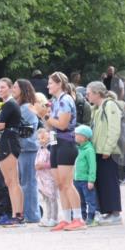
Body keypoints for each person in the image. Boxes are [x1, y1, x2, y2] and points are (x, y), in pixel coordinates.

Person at [42, 71, 85, 231]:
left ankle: (78, 218)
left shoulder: (66, 99)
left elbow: (62, 125)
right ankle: (66, 219)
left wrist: (45, 116)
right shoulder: (55, 101)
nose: (48, 86)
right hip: (55, 143)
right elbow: (50, 126)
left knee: (67, 183)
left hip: (66, 143)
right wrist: (43, 115)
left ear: (59, 84)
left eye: (50, 83)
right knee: (60, 184)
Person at [87, 81, 123, 226]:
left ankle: (115, 214)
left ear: (97, 93)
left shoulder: (110, 105)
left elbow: (114, 129)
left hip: (108, 151)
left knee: (110, 182)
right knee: (102, 182)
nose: (87, 96)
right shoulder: (96, 108)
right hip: (98, 150)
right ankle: (108, 212)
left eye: (89, 93)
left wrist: (108, 149)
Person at [0, 78, 25, 227]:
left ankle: (17, 215)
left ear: (10, 88)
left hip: (9, 142)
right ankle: (17, 214)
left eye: (3, 87)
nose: (0, 90)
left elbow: (0, 125)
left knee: (12, 181)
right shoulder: (5, 104)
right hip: (4, 142)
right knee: (10, 181)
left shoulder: (10, 104)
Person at [13, 79, 40, 223]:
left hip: (28, 149)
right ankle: (27, 213)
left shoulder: (27, 108)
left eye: (15, 87)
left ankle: (32, 215)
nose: (13, 89)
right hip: (22, 149)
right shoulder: (21, 106)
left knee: (28, 183)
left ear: (23, 90)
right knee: (25, 182)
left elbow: (25, 129)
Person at [73, 125, 98, 226]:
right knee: (80, 200)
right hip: (77, 179)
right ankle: (82, 217)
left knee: (90, 200)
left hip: (85, 180)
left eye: (77, 135)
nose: (75, 136)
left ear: (84, 137)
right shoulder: (78, 148)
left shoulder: (89, 150)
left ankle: (91, 217)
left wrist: (91, 180)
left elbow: (92, 166)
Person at [35, 129, 59, 227]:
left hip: (50, 177)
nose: (40, 140)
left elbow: (53, 162)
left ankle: (54, 218)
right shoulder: (40, 149)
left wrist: (43, 165)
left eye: (43, 138)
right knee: (46, 199)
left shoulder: (51, 149)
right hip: (41, 178)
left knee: (52, 198)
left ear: (49, 137)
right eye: (39, 138)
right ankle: (48, 218)